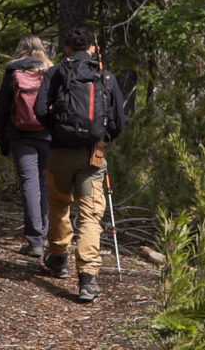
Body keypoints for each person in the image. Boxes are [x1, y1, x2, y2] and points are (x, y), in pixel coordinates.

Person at [34, 24, 126, 303]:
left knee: (60, 204)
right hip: (92, 156)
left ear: (67, 49)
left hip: (60, 152)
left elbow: (39, 110)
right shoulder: (105, 76)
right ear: (93, 48)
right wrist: (102, 136)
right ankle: (87, 279)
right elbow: (120, 121)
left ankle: (59, 259)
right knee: (90, 215)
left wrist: (58, 129)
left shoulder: (55, 72)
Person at [0, 35, 54, 258]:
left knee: (29, 184)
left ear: (20, 49)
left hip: (20, 135)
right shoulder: (50, 71)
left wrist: (4, 144)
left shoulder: (13, 71)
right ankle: (46, 236)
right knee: (44, 183)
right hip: (47, 135)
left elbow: (1, 110)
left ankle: (35, 241)